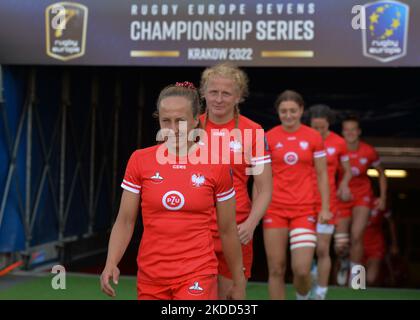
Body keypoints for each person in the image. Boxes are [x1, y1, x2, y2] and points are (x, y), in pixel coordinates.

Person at [100, 82, 246, 300]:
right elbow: (125, 220)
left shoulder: (217, 164)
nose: (174, 129)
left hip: (198, 272)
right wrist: (111, 261)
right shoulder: (140, 160)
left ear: (197, 119)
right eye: (166, 121)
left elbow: (227, 230)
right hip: (151, 275)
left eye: (181, 121)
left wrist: (238, 280)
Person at [199, 63, 272, 299]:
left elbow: (264, 188)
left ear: (238, 96)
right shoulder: (190, 128)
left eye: (226, 93)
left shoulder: (253, 132)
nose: (219, 99)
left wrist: (251, 224)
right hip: (196, 230)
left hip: (236, 229)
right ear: (203, 93)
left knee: (232, 297)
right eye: (213, 92)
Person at [263, 90, 331, 300]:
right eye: (284, 111)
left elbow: (322, 174)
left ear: (301, 110)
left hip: (304, 210)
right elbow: (261, 177)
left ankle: (303, 296)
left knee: (301, 270)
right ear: (278, 112)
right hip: (274, 209)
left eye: (293, 110)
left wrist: (325, 208)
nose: (289, 115)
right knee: (276, 269)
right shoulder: (269, 137)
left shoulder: (313, 137)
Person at [335, 114, 387, 286]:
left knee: (357, 236)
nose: (350, 133)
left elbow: (381, 173)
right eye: (346, 130)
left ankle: (357, 281)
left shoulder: (368, 151)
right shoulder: (337, 149)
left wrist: (383, 197)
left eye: (353, 129)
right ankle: (343, 262)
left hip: (363, 197)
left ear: (359, 132)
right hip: (342, 197)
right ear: (342, 132)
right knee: (341, 243)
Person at [308, 104, 352, 300]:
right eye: (314, 127)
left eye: (322, 128)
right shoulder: (304, 138)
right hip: (303, 201)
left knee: (322, 248)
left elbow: (348, 170)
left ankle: (321, 292)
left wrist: (344, 183)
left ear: (329, 124)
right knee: (306, 248)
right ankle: (308, 283)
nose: (318, 132)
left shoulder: (339, 142)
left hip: (328, 201)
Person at [363, 198, 399, 286]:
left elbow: (391, 223)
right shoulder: (357, 199)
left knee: (370, 279)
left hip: (376, 245)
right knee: (357, 281)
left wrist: (394, 244)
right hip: (358, 245)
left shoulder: (380, 202)